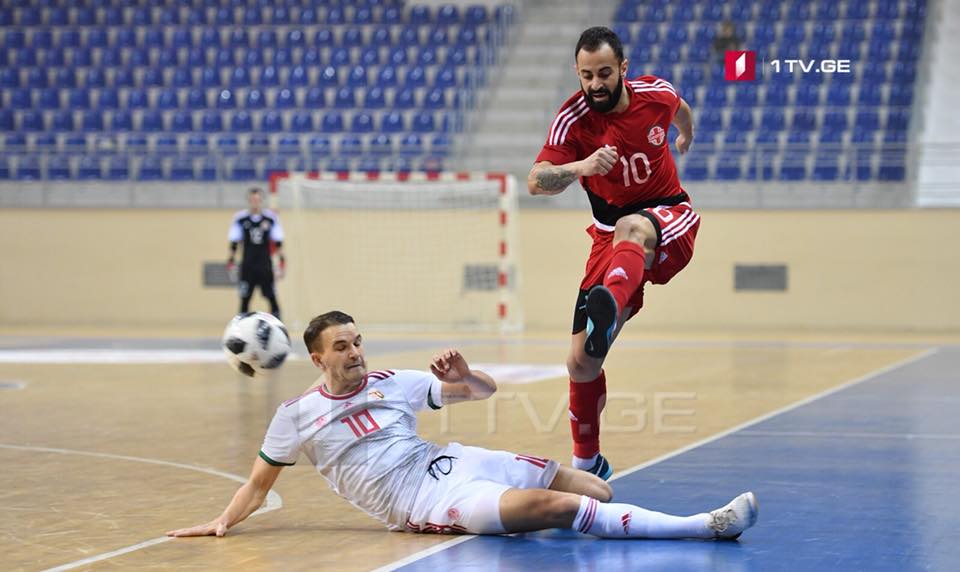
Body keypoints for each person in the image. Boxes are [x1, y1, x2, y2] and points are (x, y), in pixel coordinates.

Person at [167, 311, 758, 540]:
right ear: (317, 358)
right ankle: (701, 527)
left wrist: (467, 374)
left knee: (596, 491)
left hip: (453, 459)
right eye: (341, 347)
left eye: (357, 341)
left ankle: (559, 513)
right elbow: (259, 485)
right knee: (550, 510)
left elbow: (480, 393)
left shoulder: (392, 382)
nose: (355, 352)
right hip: (418, 498)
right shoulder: (294, 416)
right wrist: (223, 521)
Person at [527, 27, 699, 479]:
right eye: (587, 75)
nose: (595, 84)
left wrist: (685, 136)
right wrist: (579, 166)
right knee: (580, 362)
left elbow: (679, 109)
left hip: (667, 217)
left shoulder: (654, 95)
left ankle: (611, 306)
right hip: (608, 240)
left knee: (633, 225)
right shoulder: (573, 120)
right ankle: (588, 464)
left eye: (604, 73)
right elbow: (535, 181)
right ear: (577, 73)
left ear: (623, 68)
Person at [227, 187, 285, 319]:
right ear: (249, 200)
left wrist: (281, 262)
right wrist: (230, 261)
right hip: (248, 265)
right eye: (253, 199)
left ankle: (277, 326)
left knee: (271, 297)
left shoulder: (271, 219)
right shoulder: (240, 219)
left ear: (261, 200)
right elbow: (234, 243)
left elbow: (278, 243)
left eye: (258, 199)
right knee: (245, 298)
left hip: (265, 265)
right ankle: (242, 329)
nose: (255, 202)